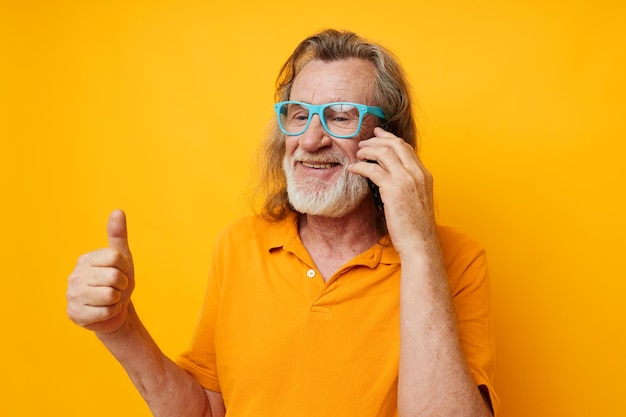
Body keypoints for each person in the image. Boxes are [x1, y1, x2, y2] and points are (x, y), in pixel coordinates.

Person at [66, 29, 498, 417]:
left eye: (341, 115)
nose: (311, 140)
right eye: (298, 114)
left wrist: (419, 249)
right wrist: (120, 328)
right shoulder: (240, 245)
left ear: (390, 140)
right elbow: (203, 411)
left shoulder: (454, 260)